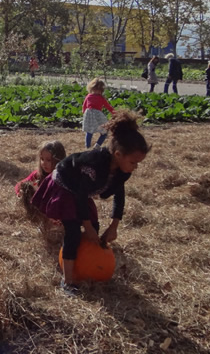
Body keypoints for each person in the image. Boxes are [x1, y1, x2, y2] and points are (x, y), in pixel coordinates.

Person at [32, 110, 150, 296]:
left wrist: (113, 226)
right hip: (65, 186)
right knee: (73, 231)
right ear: (118, 154)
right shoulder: (94, 164)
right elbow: (80, 195)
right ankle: (68, 280)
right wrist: (86, 227)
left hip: (81, 191)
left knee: (94, 226)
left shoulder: (122, 171)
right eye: (134, 162)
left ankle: (85, 265)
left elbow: (119, 195)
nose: (135, 167)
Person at [81, 79, 115, 148]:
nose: (97, 91)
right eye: (97, 89)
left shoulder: (88, 96)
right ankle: (96, 145)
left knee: (89, 132)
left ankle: (88, 146)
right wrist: (115, 113)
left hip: (89, 114)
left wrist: (84, 113)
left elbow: (84, 106)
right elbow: (108, 107)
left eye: (99, 90)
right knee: (105, 131)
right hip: (97, 115)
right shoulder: (101, 98)